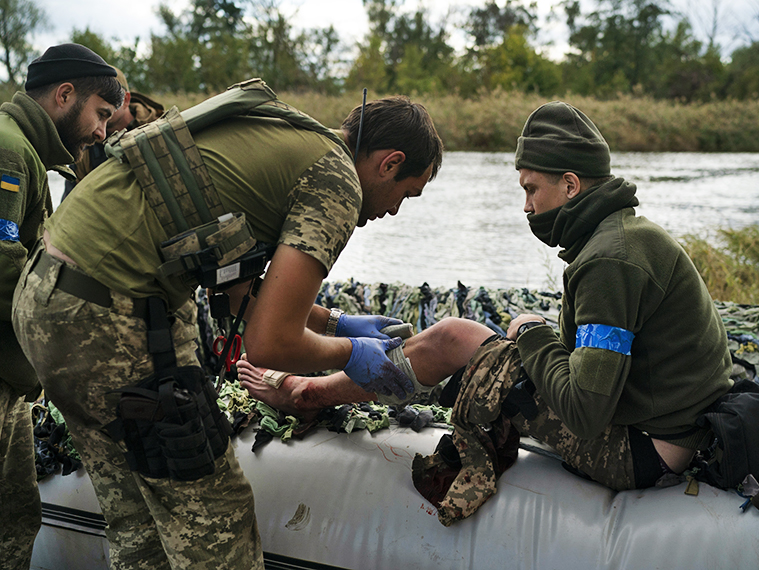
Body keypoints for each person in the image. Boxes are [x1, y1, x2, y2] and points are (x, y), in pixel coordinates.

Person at [12, 79, 443, 570]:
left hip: (46, 302)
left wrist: (337, 323)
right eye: (405, 194)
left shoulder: (286, 138)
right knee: (218, 521)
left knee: (137, 520)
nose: (392, 211)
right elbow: (269, 342)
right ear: (388, 163)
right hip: (109, 319)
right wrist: (355, 356)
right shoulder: (337, 181)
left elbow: (241, 289)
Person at [238, 100, 738, 497]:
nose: (526, 207)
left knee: (457, 337)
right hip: (655, 427)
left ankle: (307, 393)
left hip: (641, 451)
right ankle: (315, 389)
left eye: (531, 189)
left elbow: (585, 411)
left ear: (570, 185)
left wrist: (534, 334)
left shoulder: (612, 260)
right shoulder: (620, 238)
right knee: (461, 344)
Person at [0, 43, 123, 570]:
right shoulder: (8, 152)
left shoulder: (27, 152)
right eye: (100, 114)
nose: (101, 131)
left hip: (10, 377)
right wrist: (71, 325)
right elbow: (3, 264)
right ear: (65, 95)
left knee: (17, 513)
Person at [62, 65, 164, 200]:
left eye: (111, 99)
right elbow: (70, 205)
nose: (104, 106)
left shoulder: (158, 129)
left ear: (126, 100)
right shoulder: (85, 145)